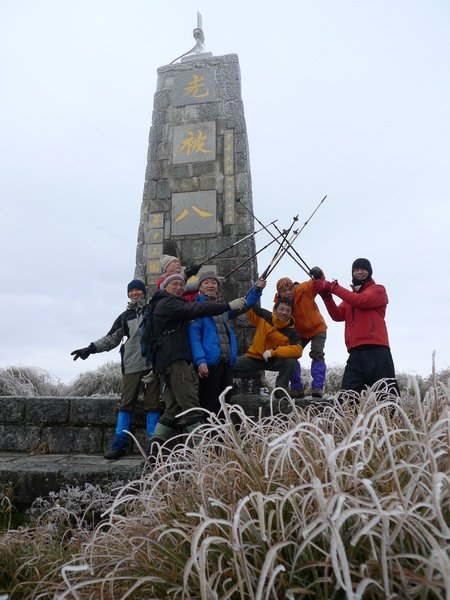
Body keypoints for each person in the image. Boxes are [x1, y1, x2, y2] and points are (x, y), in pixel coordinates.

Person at [145, 272, 246, 446]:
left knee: (173, 409)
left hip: (171, 361)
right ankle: (204, 451)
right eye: (174, 284)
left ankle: (153, 452)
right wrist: (227, 305)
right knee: (192, 406)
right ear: (164, 287)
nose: (178, 287)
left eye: (181, 284)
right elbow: (196, 309)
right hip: (175, 362)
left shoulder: (165, 302)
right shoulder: (167, 303)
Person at [70, 279, 160, 460]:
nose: (135, 293)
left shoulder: (154, 310)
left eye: (138, 290)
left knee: (153, 405)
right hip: (132, 365)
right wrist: (90, 348)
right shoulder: (124, 316)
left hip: (153, 364)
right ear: (128, 294)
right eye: (131, 291)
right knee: (126, 405)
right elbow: (111, 338)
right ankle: (119, 445)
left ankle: (154, 445)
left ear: (144, 293)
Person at [314, 258, 399, 395]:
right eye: (356, 269)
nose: (359, 272)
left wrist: (332, 287)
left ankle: (392, 417)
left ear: (369, 272)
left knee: (387, 398)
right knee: (347, 398)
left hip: (377, 352)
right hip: (355, 353)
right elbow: (337, 315)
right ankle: (348, 417)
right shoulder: (350, 297)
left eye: (363, 269)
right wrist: (326, 296)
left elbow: (361, 301)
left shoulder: (378, 290)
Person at [189, 272, 267, 415]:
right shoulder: (197, 308)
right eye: (206, 283)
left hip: (225, 362)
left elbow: (244, 304)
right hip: (209, 364)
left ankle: (222, 436)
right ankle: (208, 435)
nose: (210, 285)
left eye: (213, 282)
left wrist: (257, 289)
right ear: (199, 287)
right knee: (209, 402)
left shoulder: (223, 307)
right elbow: (194, 338)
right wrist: (200, 361)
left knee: (225, 402)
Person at [231, 297, 303, 398]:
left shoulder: (292, 332)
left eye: (288, 310)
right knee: (227, 364)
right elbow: (249, 305)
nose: (284, 313)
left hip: (273, 361)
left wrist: (273, 352)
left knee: (291, 360)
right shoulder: (265, 316)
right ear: (275, 308)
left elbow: (298, 350)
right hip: (253, 358)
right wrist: (257, 288)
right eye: (281, 309)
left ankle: (280, 390)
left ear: (291, 313)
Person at [275, 269, 327, 398]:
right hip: (299, 333)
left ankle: (317, 388)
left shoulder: (304, 289)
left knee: (317, 354)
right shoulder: (279, 304)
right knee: (292, 355)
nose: (288, 292)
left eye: (290, 288)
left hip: (317, 328)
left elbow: (319, 281)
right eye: (284, 291)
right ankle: (296, 388)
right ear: (279, 293)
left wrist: (318, 273)